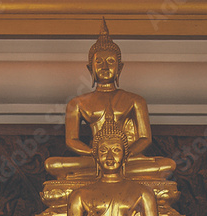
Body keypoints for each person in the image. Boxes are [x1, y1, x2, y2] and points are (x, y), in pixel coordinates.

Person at [43, 114, 186, 216]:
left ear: (126, 155)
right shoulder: (79, 194)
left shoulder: (142, 192)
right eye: (103, 151)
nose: (110, 157)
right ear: (95, 155)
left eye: (116, 150)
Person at [45, 19, 176, 181]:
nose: (105, 67)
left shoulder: (135, 100)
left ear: (120, 68)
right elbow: (72, 140)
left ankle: (89, 176)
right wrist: (94, 154)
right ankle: (96, 172)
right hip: (94, 159)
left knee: (167, 165)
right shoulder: (77, 103)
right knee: (52, 164)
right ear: (90, 68)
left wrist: (123, 156)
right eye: (99, 62)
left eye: (111, 61)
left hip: (129, 159)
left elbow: (145, 138)